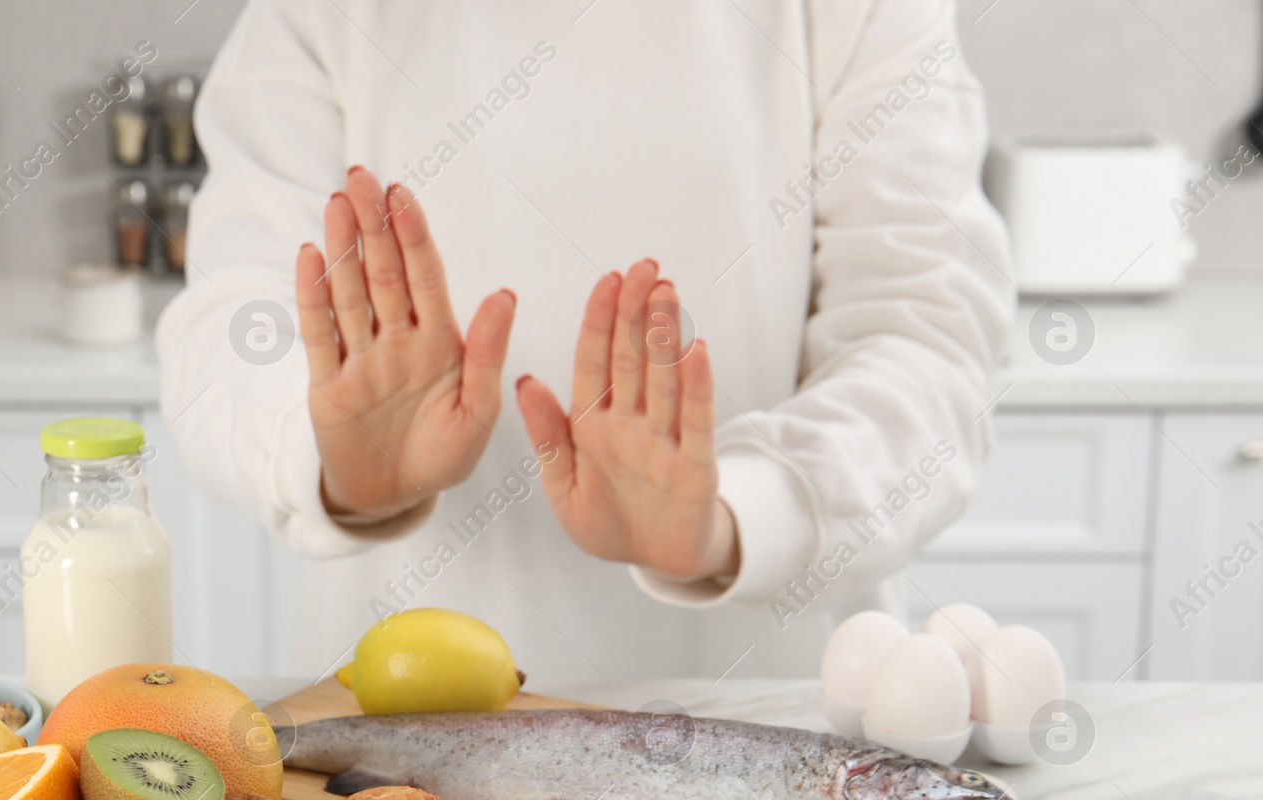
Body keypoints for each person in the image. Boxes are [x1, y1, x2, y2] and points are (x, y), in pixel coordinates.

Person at [157, 1, 1013, 679]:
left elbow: (925, 336)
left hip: (772, 714)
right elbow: (235, 314)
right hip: (408, 740)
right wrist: (328, 458)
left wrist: (735, 515)